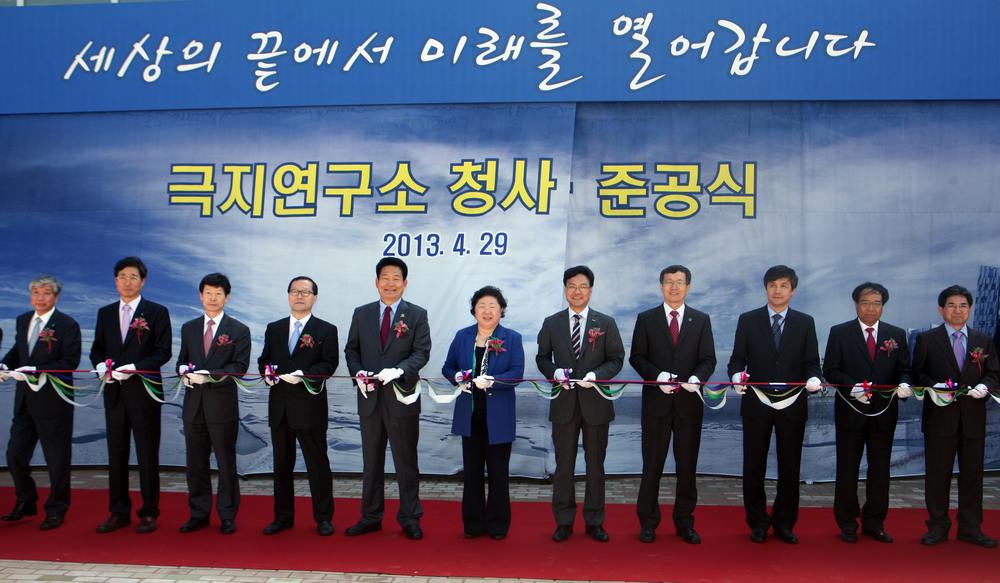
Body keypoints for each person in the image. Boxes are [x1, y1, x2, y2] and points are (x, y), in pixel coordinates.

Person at [727, 265, 822, 544]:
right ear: (766, 288)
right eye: (772, 285)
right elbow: (737, 359)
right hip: (757, 404)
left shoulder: (805, 322)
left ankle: (784, 524)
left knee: (790, 467)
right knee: (753, 466)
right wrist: (736, 376)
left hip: (792, 405)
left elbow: (812, 362)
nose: (777, 290)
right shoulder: (748, 320)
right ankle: (758, 523)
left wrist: (814, 378)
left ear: (793, 290)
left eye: (783, 285)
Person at [536, 265, 625, 543]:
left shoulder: (605, 323)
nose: (577, 291)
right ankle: (563, 522)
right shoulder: (552, 322)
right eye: (572, 286)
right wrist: (555, 372)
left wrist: (596, 376)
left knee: (595, 466)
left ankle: (595, 522)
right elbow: (542, 358)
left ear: (591, 290)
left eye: (583, 286)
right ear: (565, 290)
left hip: (596, 403)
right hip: (563, 404)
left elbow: (616, 359)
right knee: (564, 466)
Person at [345, 257, 431, 540]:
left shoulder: (416, 314)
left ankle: (410, 518)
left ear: (405, 283)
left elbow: (421, 352)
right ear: (376, 281)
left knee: (406, 462)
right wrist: (358, 373)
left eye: (396, 278)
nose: (390, 283)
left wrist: (399, 370)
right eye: (385, 277)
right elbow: (352, 349)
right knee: (371, 462)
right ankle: (370, 516)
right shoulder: (362, 313)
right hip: (369, 398)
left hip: (402, 397)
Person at [630, 266, 716, 544]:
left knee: (687, 468)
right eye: (669, 282)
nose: (674, 287)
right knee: (651, 466)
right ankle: (648, 522)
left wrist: (697, 378)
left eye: (680, 282)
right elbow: (637, 357)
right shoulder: (647, 319)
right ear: (661, 286)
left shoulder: (701, 320)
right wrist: (657, 377)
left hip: (689, 404)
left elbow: (708, 359)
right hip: (656, 404)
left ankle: (685, 522)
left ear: (688, 287)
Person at [823, 282, 911, 544]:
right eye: (865, 302)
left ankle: (875, 523)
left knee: (880, 471)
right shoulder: (840, 332)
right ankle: (848, 523)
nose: (871, 308)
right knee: (847, 470)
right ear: (856, 304)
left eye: (876, 303)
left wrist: (904, 383)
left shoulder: (896, 335)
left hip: (884, 413)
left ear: (883, 306)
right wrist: (853, 387)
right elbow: (831, 370)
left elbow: (904, 369)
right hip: (851, 412)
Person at [912, 285, 1000, 548]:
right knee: (937, 476)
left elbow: (994, 373)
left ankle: (971, 528)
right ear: (941, 309)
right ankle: (937, 527)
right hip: (940, 418)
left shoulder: (984, 340)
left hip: (973, 418)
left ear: (970, 309)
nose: (957, 310)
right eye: (951, 305)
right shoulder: (927, 339)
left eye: (963, 305)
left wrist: (985, 385)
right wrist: (934, 386)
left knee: (972, 476)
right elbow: (917, 374)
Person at [91, 257, 172, 534]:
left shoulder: (157, 312)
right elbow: (97, 348)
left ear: (143, 281)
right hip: (114, 393)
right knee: (116, 454)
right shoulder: (105, 313)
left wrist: (135, 367)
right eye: (122, 277)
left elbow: (163, 352)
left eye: (133, 277)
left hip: (144, 392)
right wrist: (99, 365)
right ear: (116, 281)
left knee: (147, 455)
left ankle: (149, 512)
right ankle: (119, 512)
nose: (127, 282)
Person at [257, 276, 339, 536]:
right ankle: (282, 517)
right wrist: (266, 372)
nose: (299, 296)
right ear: (288, 296)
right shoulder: (274, 328)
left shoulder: (326, 329)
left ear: (315, 297)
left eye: (305, 292)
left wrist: (304, 374)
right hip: (280, 407)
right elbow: (264, 359)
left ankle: (324, 518)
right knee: (281, 466)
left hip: (310, 407)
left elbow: (330, 364)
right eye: (294, 291)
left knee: (317, 465)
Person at [442, 286, 524, 540]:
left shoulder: (512, 338)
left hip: (498, 417)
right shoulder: (463, 336)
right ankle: (473, 524)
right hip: (470, 417)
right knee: (472, 473)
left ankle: (498, 525)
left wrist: (494, 381)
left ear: (501, 310)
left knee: (499, 474)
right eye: (481, 306)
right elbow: (448, 366)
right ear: (474, 310)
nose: (487, 311)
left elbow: (516, 373)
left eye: (492, 306)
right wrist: (457, 376)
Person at [0, 276, 81, 530]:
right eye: (36, 292)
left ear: (56, 297)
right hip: (25, 401)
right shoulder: (23, 320)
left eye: (46, 292)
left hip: (53, 402)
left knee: (56, 460)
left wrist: (36, 369)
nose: (40, 297)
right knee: (14, 455)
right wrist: (4, 364)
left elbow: (70, 361)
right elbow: (18, 351)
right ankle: (26, 500)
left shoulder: (67, 325)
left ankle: (56, 509)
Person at [175, 273, 252, 535]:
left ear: (226, 297)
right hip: (193, 406)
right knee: (195, 464)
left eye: (218, 293)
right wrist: (182, 369)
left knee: (225, 463)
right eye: (208, 292)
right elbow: (182, 359)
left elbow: (239, 367)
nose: (213, 297)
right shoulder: (189, 328)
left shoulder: (238, 330)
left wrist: (209, 375)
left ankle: (228, 515)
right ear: (201, 295)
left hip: (222, 406)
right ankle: (198, 514)